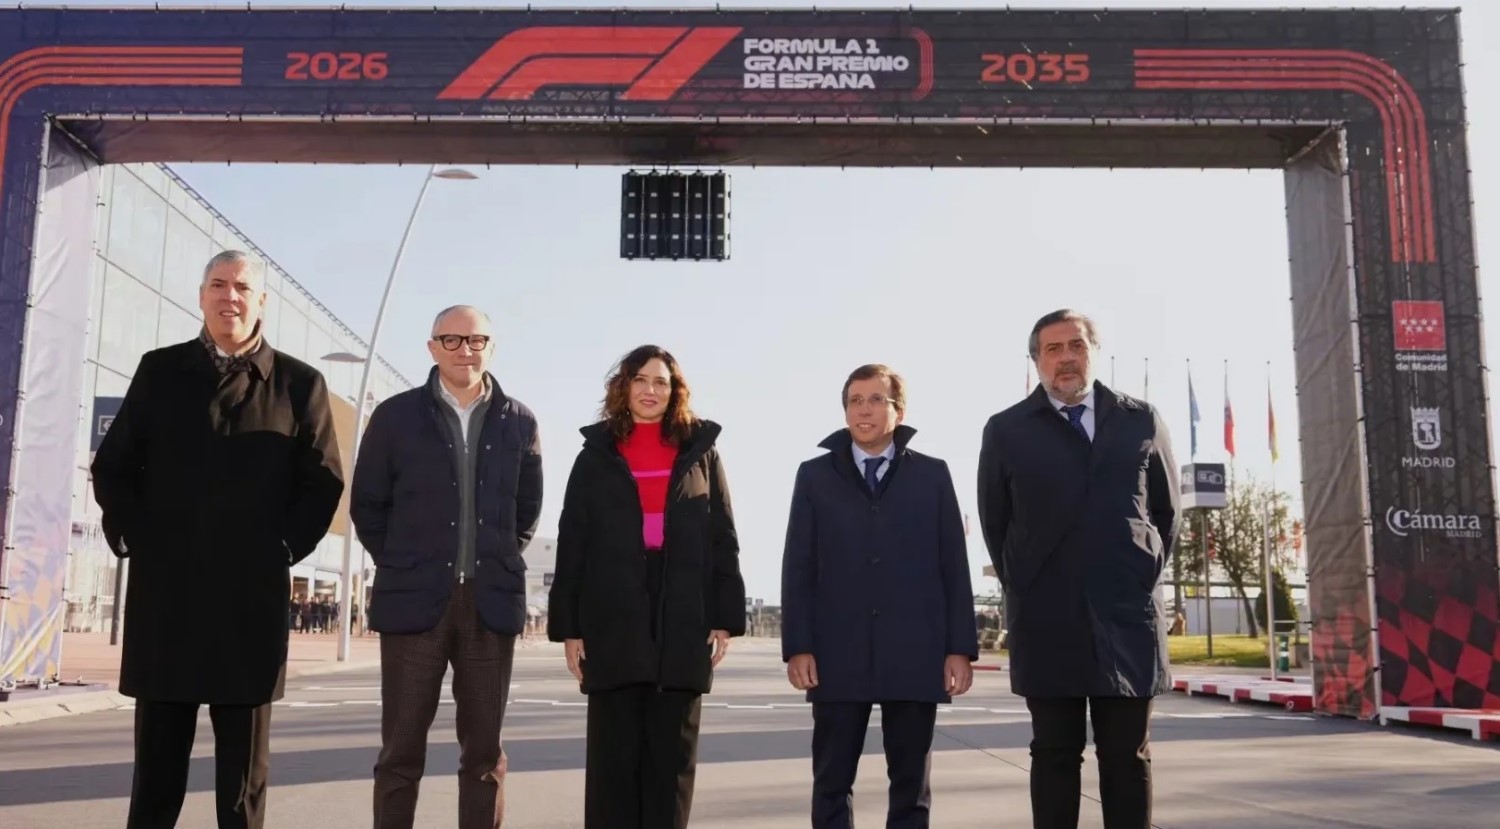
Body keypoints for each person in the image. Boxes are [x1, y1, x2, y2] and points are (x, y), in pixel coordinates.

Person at [90, 249, 345, 829]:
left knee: (242, 784)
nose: (229, 296)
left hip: (248, 602)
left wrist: (282, 549)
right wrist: (136, 537)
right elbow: (114, 467)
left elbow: (323, 480)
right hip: (167, 599)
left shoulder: (301, 384)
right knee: (155, 776)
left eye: (242, 288)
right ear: (201, 295)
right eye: (218, 284)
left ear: (261, 302)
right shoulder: (160, 370)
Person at [976, 309, 1180, 829]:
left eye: (1076, 345)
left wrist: (1139, 571)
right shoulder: (1006, 431)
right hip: (1047, 620)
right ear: (1036, 361)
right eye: (1052, 348)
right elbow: (995, 524)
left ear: (1093, 351)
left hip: (1126, 617)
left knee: (1127, 756)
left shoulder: (1141, 419)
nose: (1065, 357)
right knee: (1054, 754)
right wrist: (1025, 579)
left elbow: (1166, 513)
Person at [350, 305, 543, 829]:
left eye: (476, 340)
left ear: (491, 348)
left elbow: (526, 511)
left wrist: (498, 558)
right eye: (452, 340)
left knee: (483, 756)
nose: (465, 350)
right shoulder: (394, 416)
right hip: (415, 604)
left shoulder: (520, 421)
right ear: (432, 347)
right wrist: (401, 561)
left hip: (489, 605)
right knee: (400, 754)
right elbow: (367, 503)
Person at [547, 344, 746, 829]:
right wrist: (570, 628)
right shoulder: (595, 457)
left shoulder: (701, 452)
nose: (650, 390)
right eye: (640, 379)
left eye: (661, 381)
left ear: (675, 390)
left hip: (682, 614)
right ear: (624, 387)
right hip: (613, 613)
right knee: (614, 768)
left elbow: (723, 537)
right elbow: (573, 543)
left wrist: (723, 617)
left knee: (671, 765)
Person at [780, 363, 978, 829]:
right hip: (835, 652)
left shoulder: (932, 475)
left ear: (898, 410)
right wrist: (799, 645)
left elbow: (953, 565)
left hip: (916, 650)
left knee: (911, 785)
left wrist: (959, 649)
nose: (863, 409)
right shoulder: (814, 476)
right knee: (831, 780)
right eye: (854, 400)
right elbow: (798, 566)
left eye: (875, 399)